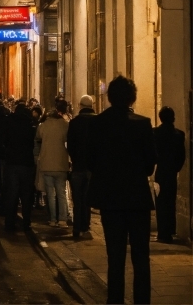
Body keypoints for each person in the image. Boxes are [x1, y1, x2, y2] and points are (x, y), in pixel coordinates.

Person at [87, 76, 156, 305]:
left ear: (109, 97)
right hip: (137, 198)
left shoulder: (98, 123)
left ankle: (114, 300)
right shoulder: (143, 123)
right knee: (141, 257)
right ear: (131, 97)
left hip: (110, 198)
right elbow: (149, 164)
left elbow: (91, 161)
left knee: (115, 257)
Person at [35, 99, 70, 228]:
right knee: (61, 192)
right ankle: (63, 219)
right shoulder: (65, 125)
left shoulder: (43, 126)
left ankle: (53, 219)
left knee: (50, 193)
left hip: (47, 162)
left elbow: (38, 137)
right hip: (61, 162)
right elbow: (67, 138)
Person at [153, 106, 185, 243]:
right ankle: (170, 230)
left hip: (161, 172)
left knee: (160, 203)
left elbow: (152, 154)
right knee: (171, 202)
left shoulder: (155, 133)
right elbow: (181, 156)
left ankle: (162, 232)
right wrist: (176, 168)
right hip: (171, 172)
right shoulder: (179, 134)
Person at [3, 101, 35, 231]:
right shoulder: (30, 124)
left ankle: (9, 222)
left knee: (12, 194)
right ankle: (26, 221)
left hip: (12, 163)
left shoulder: (9, 122)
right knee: (27, 194)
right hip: (26, 163)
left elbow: (5, 140)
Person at [67, 95, 96, 238]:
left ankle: (76, 228)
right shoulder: (98, 121)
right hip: (92, 167)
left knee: (77, 200)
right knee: (88, 200)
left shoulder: (74, 122)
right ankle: (86, 227)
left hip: (78, 166)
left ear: (80, 105)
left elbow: (70, 145)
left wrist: (74, 158)